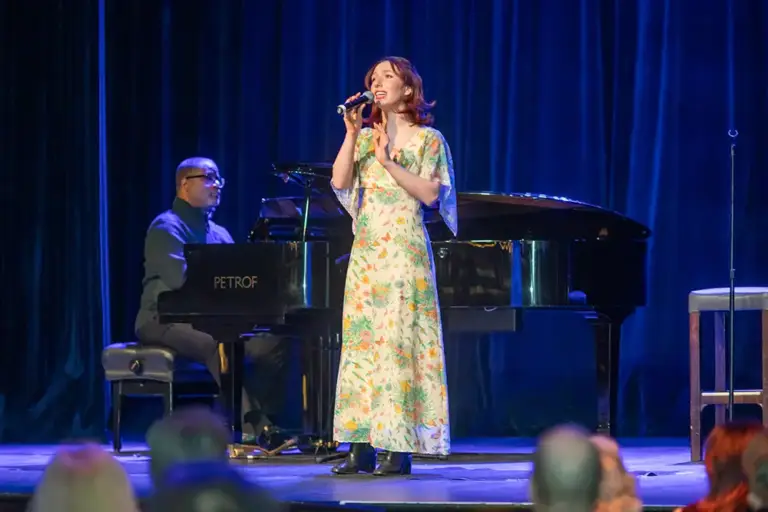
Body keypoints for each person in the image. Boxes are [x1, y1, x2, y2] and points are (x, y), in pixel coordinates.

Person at [329, 57, 457, 476]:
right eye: (374, 78)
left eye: (388, 76)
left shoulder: (428, 140)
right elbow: (340, 182)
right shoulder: (365, 138)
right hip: (367, 255)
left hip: (403, 252)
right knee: (361, 348)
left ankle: (397, 447)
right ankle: (360, 445)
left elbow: (432, 195)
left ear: (408, 89)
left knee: (397, 347)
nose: (378, 82)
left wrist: (387, 162)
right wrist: (352, 134)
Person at [135, 157, 288, 443]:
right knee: (216, 343)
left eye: (219, 179)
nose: (217, 185)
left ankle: (263, 422)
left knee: (269, 343)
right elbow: (179, 281)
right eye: (208, 177)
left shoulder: (220, 234)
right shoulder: (166, 227)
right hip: (162, 319)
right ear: (184, 185)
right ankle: (255, 425)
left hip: (211, 320)